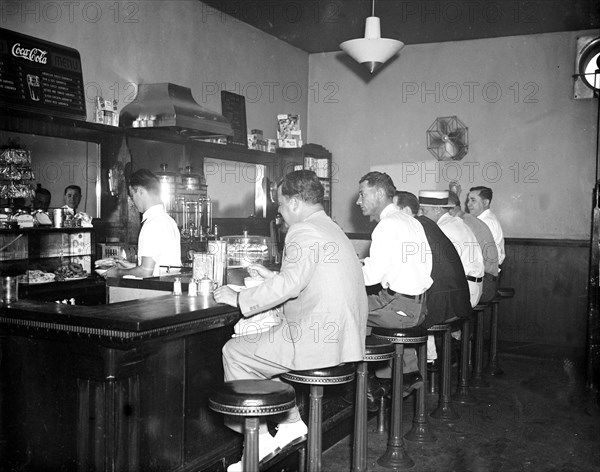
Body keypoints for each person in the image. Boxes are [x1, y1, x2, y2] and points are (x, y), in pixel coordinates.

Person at [213, 170, 368, 472]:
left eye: (282, 205)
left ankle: (257, 442)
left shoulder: (302, 231)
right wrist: (274, 278)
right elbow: (307, 278)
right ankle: (289, 425)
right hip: (342, 335)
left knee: (235, 352)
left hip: (316, 337)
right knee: (264, 349)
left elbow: (291, 285)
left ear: (296, 202)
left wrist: (239, 298)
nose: (280, 213)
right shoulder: (330, 227)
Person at [357, 172, 432, 395]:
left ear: (379, 193)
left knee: (348, 310)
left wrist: (346, 270)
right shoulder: (411, 221)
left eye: (362, 194)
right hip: (419, 307)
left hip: (400, 309)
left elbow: (370, 276)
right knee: (372, 306)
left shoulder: (386, 225)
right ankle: (406, 373)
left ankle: (369, 386)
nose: (358, 201)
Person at [396, 191, 471, 365]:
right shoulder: (429, 225)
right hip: (457, 299)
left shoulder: (415, 227)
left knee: (391, 317)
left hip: (442, 304)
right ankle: (416, 366)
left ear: (406, 211)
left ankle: (407, 372)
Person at [104, 169, 181, 278]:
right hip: (169, 286)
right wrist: (130, 266)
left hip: (156, 291)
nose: (132, 201)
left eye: (132, 195)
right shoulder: (168, 220)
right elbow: (156, 265)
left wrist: (117, 273)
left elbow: (145, 271)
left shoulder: (152, 224)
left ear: (140, 191)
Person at [419, 190, 484, 308]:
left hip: (465, 292)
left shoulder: (443, 229)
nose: (420, 215)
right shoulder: (455, 223)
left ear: (437, 210)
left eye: (424, 211)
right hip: (472, 286)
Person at [448, 190, 500, 303]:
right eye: (468, 200)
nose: (469, 204)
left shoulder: (461, 223)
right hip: (487, 279)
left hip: (484, 283)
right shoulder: (468, 219)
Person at [467, 186, 505, 268]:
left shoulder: (487, 222)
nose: (468, 204)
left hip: (485, 272)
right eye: (468, 200)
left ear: (485, 203)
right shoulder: (481, 220)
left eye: (473, 200)